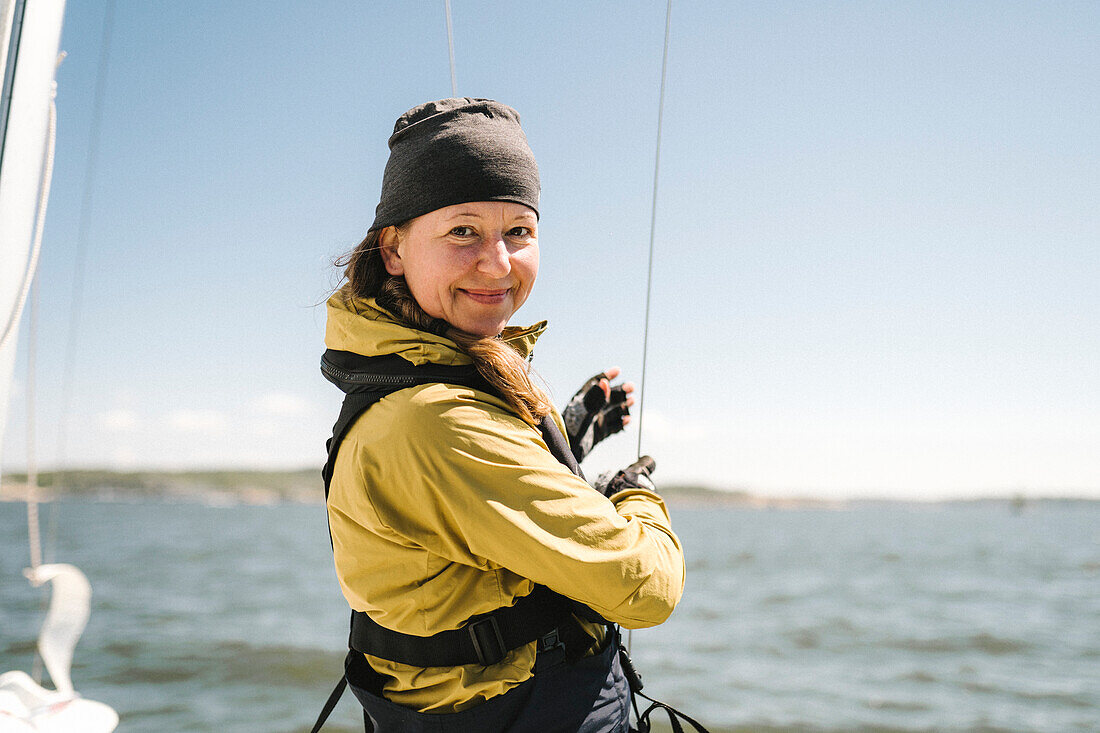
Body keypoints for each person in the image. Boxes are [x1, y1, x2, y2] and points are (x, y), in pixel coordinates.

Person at [318, 98, 686, 733]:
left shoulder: (419, 374)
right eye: (463, 230)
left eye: (519, 231)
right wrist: (634, 497)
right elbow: (644, 587)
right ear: (395, 248)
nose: (498, 262)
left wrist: (563, 437)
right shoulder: (436, 421)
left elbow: (465, 514)